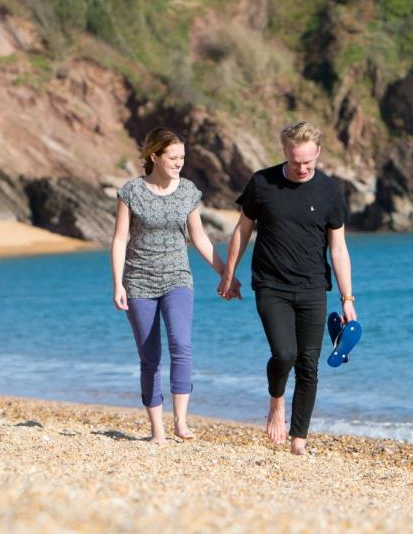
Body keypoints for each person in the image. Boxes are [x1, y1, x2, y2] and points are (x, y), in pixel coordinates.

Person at [219, 121, 356, 455]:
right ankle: (276, 402)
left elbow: (338, 247)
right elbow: (242, 230)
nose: (302, 168)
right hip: (271, 285)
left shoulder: (329, 191)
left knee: (309, 364)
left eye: (309, 162)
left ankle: (299, 440)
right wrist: (228, 273)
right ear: (285, 152)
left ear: (318, 152)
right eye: (296, 162)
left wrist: (348, 298)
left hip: (312, 286)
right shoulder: (262, 183)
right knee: (285, 354)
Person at [111, 128, 225, 444]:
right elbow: (120, 239)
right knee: (150, 356)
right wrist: (118, 284)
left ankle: (181, 423)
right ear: (155, 157)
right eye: (173, 157)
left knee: (182, 345)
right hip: (139, 282)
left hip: (178, 278)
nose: (179, 163)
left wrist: (224, 271)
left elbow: (199, 237)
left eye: (182, 158)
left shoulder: (188, 191)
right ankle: (157, 431)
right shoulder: (131, 191)